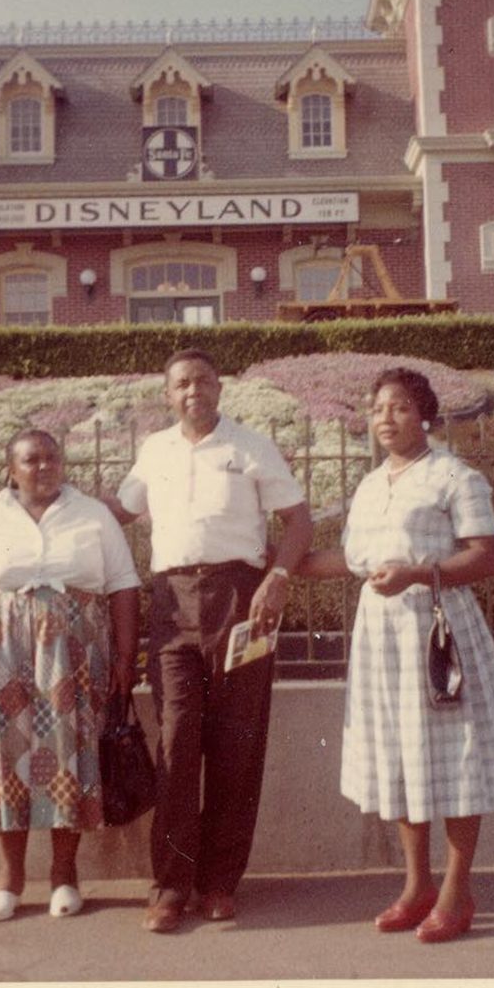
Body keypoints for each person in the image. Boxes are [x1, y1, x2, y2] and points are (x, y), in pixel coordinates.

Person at [296, 367, 494, 943]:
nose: (385, 418)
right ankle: (416, 885)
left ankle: (456, 889)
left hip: (438, 632)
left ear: (424, 415)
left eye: (399, 407)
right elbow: (351, 562)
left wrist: (419, 575)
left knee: (455, 757)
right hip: (382, 637)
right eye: (377, 408)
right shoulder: (373, 485)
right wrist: (276, 564)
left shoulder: (455, 476)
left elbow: (487, 557)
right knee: (403, 756)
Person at [107, 348, 313, 933]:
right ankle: (171, 884)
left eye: (201, 381)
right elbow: (117, 512)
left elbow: (299, 522)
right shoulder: (154, 451)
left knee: (236, 745)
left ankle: (220, 881)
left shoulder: (250, 446)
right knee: (176, 743)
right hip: (172, 605)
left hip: (240, 601)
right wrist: (47, 507)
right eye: (180, 384)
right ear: (167, 396)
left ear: (219, 388)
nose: (192, 391)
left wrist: (277, 578)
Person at [0, 428, 140, 923]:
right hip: (0, 659)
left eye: (52, 458)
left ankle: (63, 874)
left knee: (69, 757)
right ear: (11, 469)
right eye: (31, 460)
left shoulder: (92, 514)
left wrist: (124, 658)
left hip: (75, 660)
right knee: (2, 759)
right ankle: (9, 879)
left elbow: (123, 588)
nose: (43, 467)